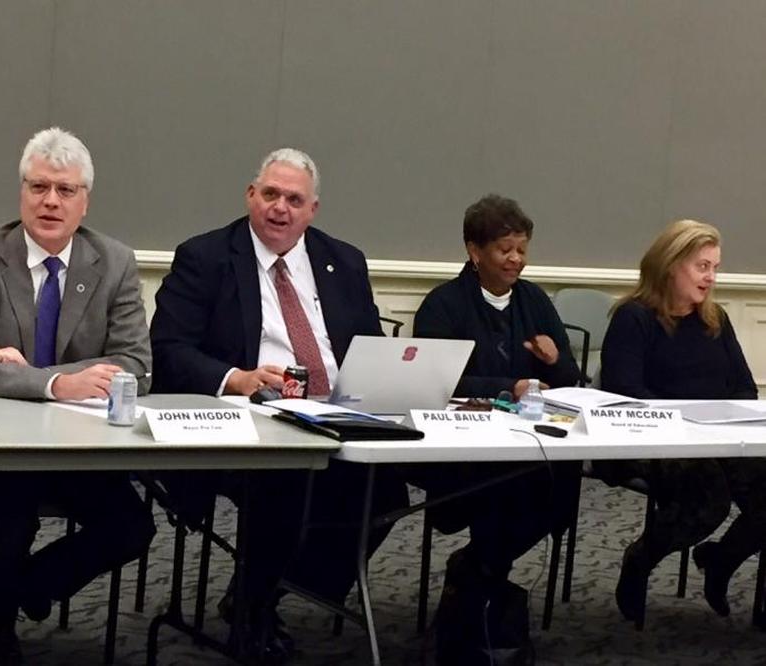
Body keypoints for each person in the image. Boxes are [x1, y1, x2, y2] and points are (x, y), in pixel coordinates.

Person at [151, 148, 409, 662]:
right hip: (247, 421)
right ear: (251, 195)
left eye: (294, 199)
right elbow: (171, 347)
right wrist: (236, 378)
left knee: (386, 495)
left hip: (334, 412)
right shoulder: (205, 257)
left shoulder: (344, 261)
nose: (280, 208)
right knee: (286, 481)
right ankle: (254, 608)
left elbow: (367, 344)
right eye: (270, 194)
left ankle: (267, 587)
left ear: (312, 209)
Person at [0, 127, 156, 664]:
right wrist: (61, 383)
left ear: (86, 200)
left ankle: (10, 592)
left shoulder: (116, 261)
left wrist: (37, 374)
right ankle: (1, 621)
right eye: (39, 187)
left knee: (133, 526)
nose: (51, 201)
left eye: (65, 190)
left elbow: (137, 366)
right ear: (22, 192)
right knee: (5, 520)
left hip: (81, 446)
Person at [412, 193, 581, 664]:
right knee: (501, 489)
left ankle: (476, 571)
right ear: (474, 251)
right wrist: (511, 383)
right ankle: (481, 578)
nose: (516, 260)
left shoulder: (534, 301)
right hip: (462, 447)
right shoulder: (444, 305)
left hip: (529, 442)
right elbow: (435, 379)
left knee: (560, 483)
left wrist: (556, 361)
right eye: (505, 249)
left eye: (522, 250)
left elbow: (568, 380)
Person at [599, 219, 763, 621]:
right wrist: (688, 420)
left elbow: (744, 389)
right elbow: (624, 393)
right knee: (709, 495)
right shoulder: (633, 318)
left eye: (715, 268)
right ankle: (641, 558)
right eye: (702, 266)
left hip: (716, 437)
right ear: (671, 265)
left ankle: (720, 560)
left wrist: (719, 420)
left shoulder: (716, 320)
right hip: (650, 439)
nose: (710, 277)